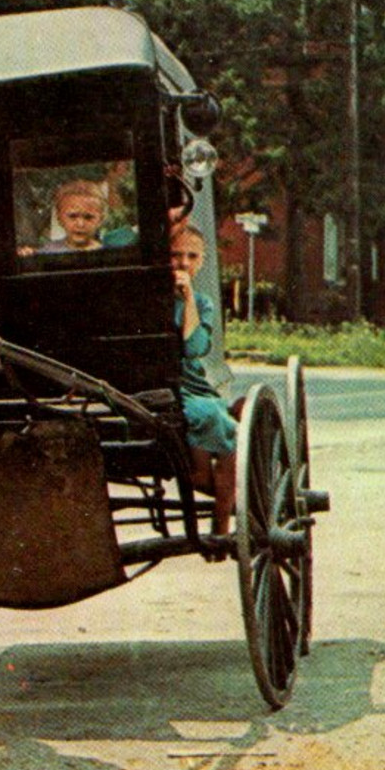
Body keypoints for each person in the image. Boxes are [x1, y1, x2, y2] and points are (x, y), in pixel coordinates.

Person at [170, 223, 238, 537]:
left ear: (200, 261)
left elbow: (194, 348)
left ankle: (222, 517)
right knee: (210, 418)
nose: (183, 263)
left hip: (187, 382)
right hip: (156, 383)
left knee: (212, 416)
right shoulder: (145, 295)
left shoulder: (203, 303)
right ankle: (209, 482)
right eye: (175, 255)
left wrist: (188, 298)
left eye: (191, 256)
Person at [38, 179, 107, 253]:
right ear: (59, 218)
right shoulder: (47, 252)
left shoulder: (110, 255)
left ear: (100, 220)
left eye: (88, 217)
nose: (80, 224)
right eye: (72, 216)